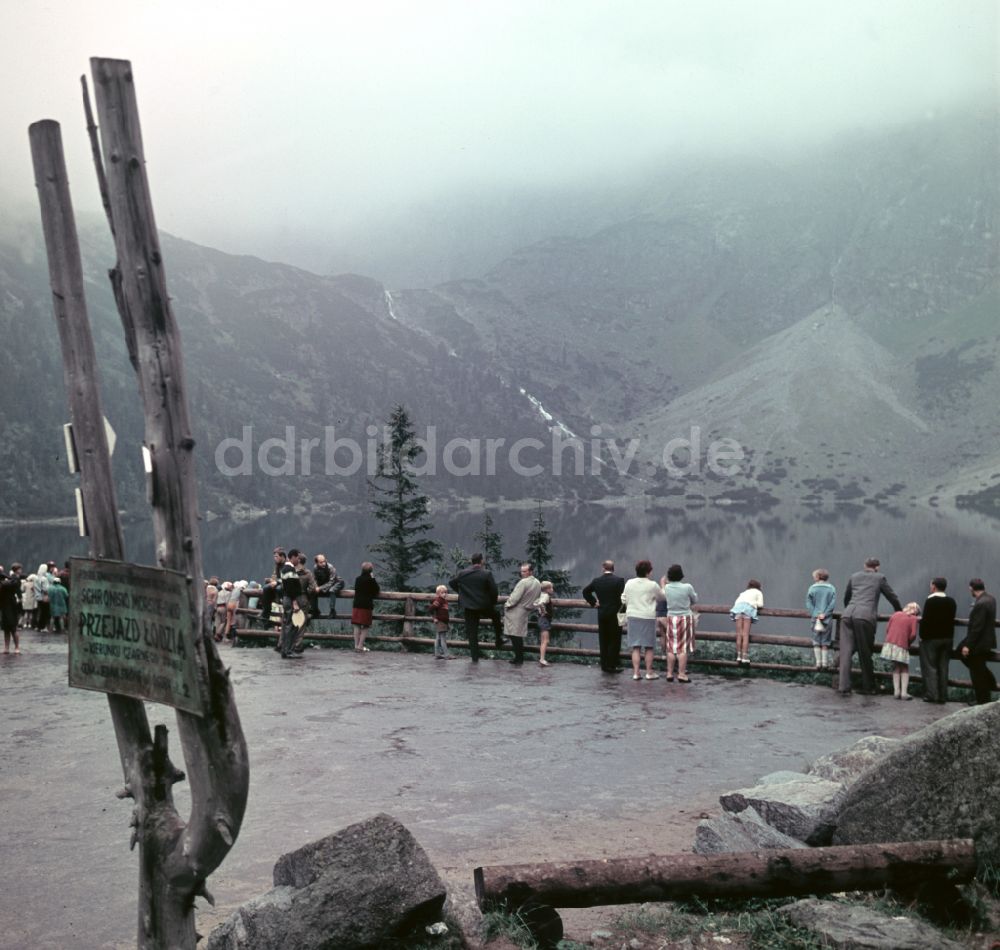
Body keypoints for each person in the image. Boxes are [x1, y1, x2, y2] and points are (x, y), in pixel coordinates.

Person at [839, 557, 902, 696]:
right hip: (865, 617)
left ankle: (844, 686)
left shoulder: (854, 576)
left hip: (847, 615)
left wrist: (849, 610)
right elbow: (892, 597)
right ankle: (869, 687)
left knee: (845, 652)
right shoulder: (880, 578)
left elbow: (846, 596)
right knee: (865, 652)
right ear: (877, 567)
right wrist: (900, 612)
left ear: (864, 565)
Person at [449, 553, 501, 663]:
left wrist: (462, 593)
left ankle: (475, 658)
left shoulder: (463, 573)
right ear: (481, 561)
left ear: (471, 561)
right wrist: (492, 602)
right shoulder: (486, 573)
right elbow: (494, 591)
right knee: (496, 616)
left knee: (472, 633)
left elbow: (452, 583)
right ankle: (498, 640)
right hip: (484, 606)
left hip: (469, 607)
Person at [621, 560, 665, 681]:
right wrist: (663, 585)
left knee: (635, 647)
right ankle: (649, 672)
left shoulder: (629, 583)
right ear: (648, 572)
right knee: (649, 647)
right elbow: (662, 597)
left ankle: (636, 673)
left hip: (633, 616)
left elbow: (623, 598)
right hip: (647, 617)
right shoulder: (652, 585)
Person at [918, 577, 957, 704]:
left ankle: (932, 695)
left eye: (931, 585)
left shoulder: (930, 601)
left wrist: (922, 635)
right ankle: (942, 696)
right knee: (943, 667)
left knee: (930, 667)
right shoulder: (951, 602)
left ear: (934, 586)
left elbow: (926, 621)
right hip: (947, 639)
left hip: (931, 639)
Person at [958, 578, 997, 706]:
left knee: (977, 673)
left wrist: (968, 646)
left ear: (971, 589)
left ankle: (982, 700)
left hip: (979, 643)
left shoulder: (980, 604)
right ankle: (988, 683)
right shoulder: (991, 599)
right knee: (978, 668)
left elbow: (977, 627)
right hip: (987, 640)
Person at [582, 560, 626, 673]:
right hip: (615, 614)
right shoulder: (619, 581)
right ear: (613, 568)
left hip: (602, 613)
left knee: (603, 639)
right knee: (614, 639)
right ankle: (612, 665)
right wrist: (623, 614)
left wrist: (593, 602)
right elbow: (623, 599)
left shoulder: (597, 581)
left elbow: (585, 591)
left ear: (603, 568)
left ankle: (604, 664)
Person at [661, 564, 698, 683]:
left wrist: (663, 583)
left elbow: (662, 595)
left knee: (671, 647)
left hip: (671, 618)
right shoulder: (687, 587)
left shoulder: (666, 588)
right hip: (685, 618)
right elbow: (695, 599)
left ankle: (669, 673)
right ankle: (681, 674)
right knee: (682, 648)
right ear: (681, 575)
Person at [503, 564, 542, 666]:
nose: (522, 573)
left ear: (530, 572)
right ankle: (519, 658)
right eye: (521, 571)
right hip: (526, 611)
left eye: (524, 571)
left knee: (515, 636)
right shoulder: (537, 582)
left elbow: (515, 597)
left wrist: (507, 605)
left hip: (516, 611)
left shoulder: (523, 582)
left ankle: (518, 659)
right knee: (518, 635)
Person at [880, 602, 921, 699]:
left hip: (890, 644)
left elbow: (887, 628)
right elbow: (913, 634)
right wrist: (908, 642)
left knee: (896, 667)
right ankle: (904, 693)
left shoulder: (896, 614)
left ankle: (896, 692)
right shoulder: (913, 619)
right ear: (916, 612)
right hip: (902, 644)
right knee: (905, 667)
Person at [278, 549, 307, 659]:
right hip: (290, 600)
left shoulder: (286, 568)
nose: (299, 560)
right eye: (298, 558)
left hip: (287, 599)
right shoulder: (289, 569)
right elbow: (290, 587)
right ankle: (288, 651)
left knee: (288, 625)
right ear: (293, 557)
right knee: (291, 625)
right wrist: (295, 602)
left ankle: (285, 650)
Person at [806, 569, 837, 671]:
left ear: (817, 577)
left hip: (815, 618)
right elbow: (832, 604)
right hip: (827, 619)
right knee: (825, 641)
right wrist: (825, 614)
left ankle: (818, 663)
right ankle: (825, 663)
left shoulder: (812, 588)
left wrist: (816, 614)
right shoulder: (831, 588)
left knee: (816, 640)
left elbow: (809, 603)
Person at [730, 579, 763, 665]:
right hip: (748, 610)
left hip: (737, 609)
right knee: (745, 635)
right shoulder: (758, 592)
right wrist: (753, 603)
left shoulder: (743, 593)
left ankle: (738, 656)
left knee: (739, 634)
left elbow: (736, 602)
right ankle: (744, 657)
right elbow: (760, 604)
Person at [351, 562, 380, 653]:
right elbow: (376, 590)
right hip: (366, 605)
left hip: (357, 604)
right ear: (371, 571)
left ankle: (356, 645)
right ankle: (360, 646)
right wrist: (373, 578)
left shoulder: (358, 579)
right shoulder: (371, 580)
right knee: (366, 626)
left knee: (356, 625)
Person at [312, 554, 345, 619]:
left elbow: (331, 582)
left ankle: (332, 611)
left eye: (324, 561)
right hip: (325, 583)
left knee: (332, 590)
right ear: (317, 563)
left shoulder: (330, 567)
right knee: (313, 591)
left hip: (337, 582)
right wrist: (316, 587)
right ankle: (315, 610)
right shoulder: (315, 568)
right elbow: (315, 579)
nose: (324, 563)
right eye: (321, 562)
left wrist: (320, 588)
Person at [0, 565, 22, 654]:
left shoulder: (12, 580)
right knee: (6, 629)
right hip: (4, 606)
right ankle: (6, 648)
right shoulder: (9, 579)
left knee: (13, 628)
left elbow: (14, 585)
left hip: (11, 606)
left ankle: (16, 647)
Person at [535, 580, 554, 666]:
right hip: (544, 620)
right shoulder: (546, 596)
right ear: (547, 589)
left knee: (543, 640)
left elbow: (536, 603)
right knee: (545, 641)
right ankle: (542, 659)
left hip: (541, 619)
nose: (552, 589)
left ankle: (542, 658)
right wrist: (544, 612)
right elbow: (540, 603)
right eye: (551, 588)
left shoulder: (541, 595)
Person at [430, 585, 451, 659]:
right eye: (442, 593)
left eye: (445, 592)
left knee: (438, 638)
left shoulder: (444, 601)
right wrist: (434, 618)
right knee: (442, 638)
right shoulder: (438, 600)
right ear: (438, 594)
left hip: (443, 622)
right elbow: (431, 609)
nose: (444, 594)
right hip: (440, 621)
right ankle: (446, 655)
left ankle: (437, 654)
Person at [34, 564, 51, 633]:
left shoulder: (36, 578)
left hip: (38, 596)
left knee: (40, 612)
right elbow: (45, 589)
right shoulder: (44, 579)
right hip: (44, 597)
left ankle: (39, 626)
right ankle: (43, 627)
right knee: (45, 613)